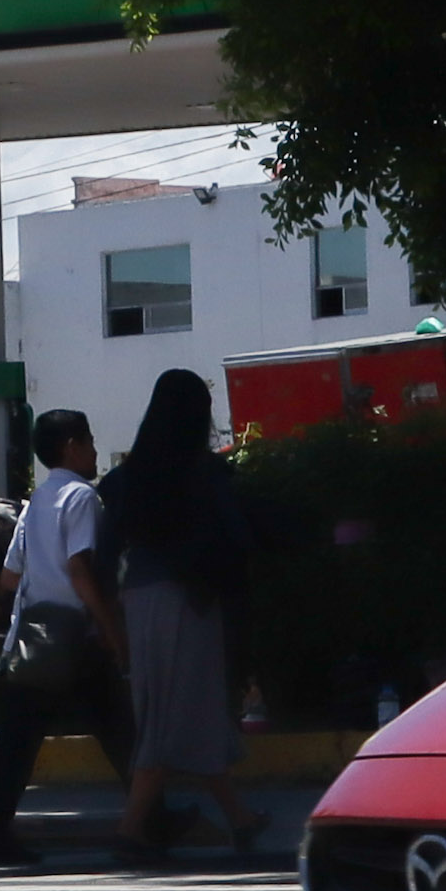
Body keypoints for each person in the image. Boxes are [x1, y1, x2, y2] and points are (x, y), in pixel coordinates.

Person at [98, 370, 267, 865]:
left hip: (140, 601)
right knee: (180, 711)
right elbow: (237, 539)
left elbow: (107, 552)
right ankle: (130, 829)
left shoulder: (129, 476)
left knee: (183, 707)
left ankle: (240, 819)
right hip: (190, 603)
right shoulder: (203, 472)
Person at [0, 409, 132, 868]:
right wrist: (109, 626)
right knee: (118, 725)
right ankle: (150, 814)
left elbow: (8, 577)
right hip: (75, 633)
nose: (95, 451)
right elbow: (81, 569)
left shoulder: (38, 500)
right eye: (89, 442)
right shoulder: (82, 498)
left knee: (19, 735)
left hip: (36, 637)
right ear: (72, 447)